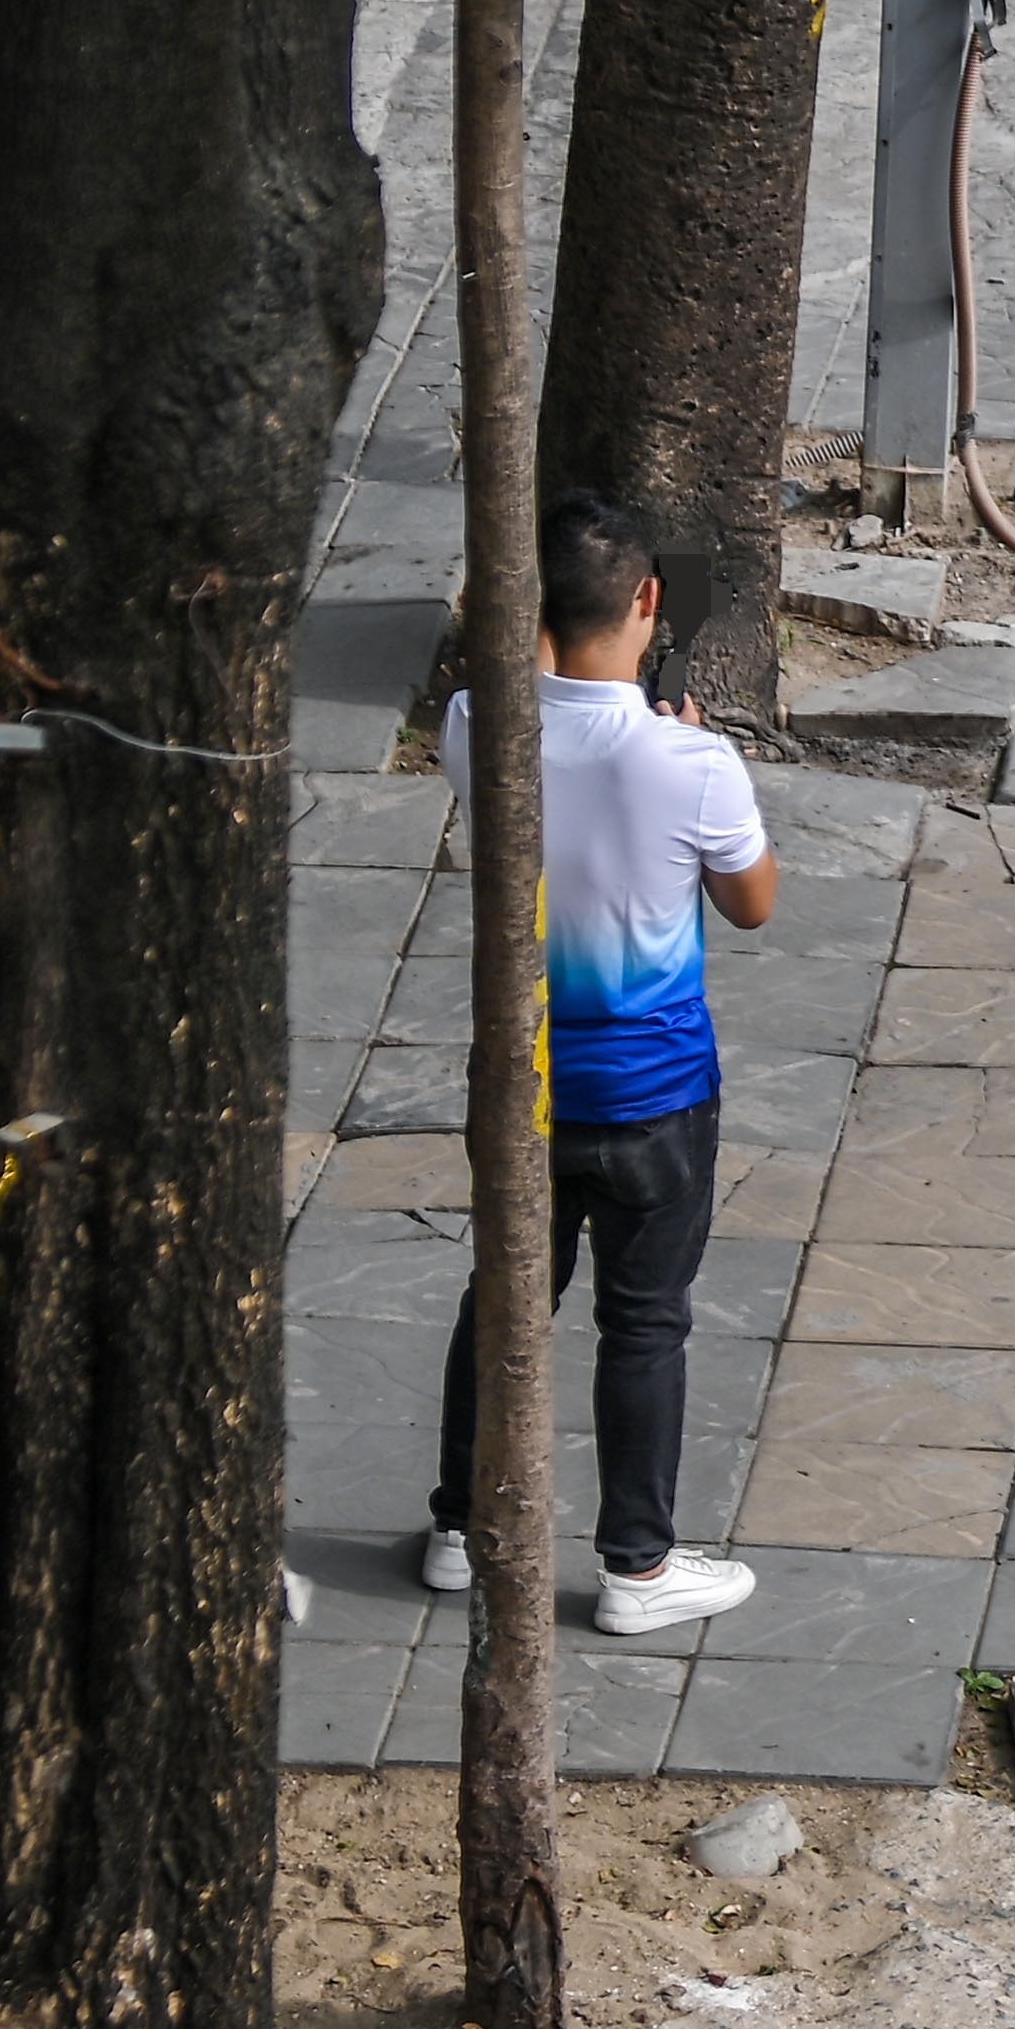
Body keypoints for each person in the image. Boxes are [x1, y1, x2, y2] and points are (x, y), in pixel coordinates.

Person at [418, 493, 776, 1637]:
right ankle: (637, 1566)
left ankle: (460, 1531)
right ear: (650, 602)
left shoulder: (477, 725)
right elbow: (754, 904)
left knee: (508, 1301)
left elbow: (513, 694)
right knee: (645, 1323)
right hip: (654, 1097)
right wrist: (696, 740)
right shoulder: (693, 761)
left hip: (522, 1085)